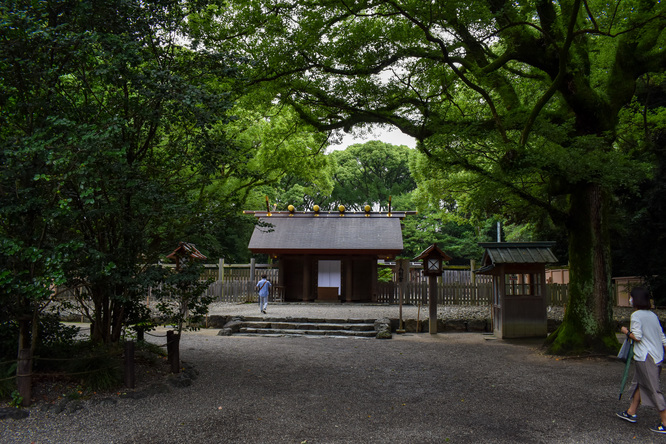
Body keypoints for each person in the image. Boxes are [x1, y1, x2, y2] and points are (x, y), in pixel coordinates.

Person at [617, 287, 666, 434]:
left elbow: (637, 336)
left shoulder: (637, 315)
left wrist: (625, 331)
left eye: (631, 297)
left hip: (645, 357)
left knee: (652, 388)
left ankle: (665, 421)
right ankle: (631, 412)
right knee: (640, 382)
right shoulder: (652, 315)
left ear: (635, 299)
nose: (630, 299)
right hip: (656, 355)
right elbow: (662, 336)